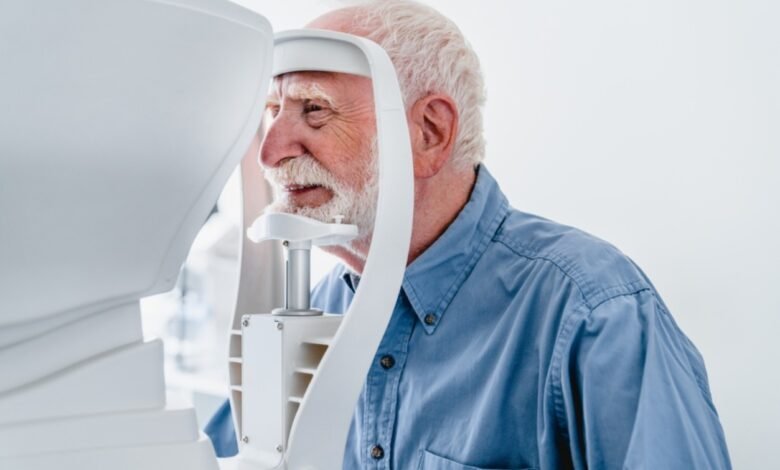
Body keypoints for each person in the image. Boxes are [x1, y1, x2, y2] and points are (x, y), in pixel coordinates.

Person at [206, 1, 732, 468]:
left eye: (315, 110)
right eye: (272, 112)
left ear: (429, 133)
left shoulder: (592, 313)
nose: (270, 152)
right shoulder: (313, 314)